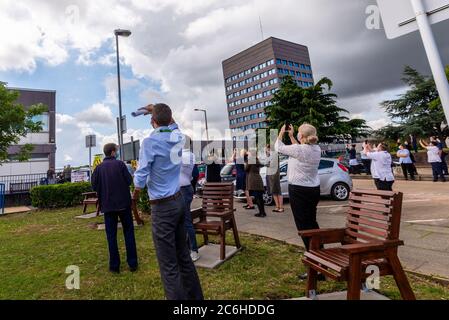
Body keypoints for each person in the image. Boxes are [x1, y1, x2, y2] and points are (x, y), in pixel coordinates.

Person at [132, 103, 203, 300]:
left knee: (168, 265)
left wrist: (135, 193)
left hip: (162, 207)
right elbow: (173, 125)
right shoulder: (178, 138)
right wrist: (157, 109)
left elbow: (141, 174)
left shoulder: (149, 142)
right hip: (179, 201)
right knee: (183, 257)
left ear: (152, 121)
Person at [91, 143, 138, 274]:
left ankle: (114, 265)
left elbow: (94, 186)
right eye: (116, 151)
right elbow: (129, 181)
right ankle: (132, 263)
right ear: (112, 152)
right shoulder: (121, 165)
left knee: (111, 236)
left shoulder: (98, 168)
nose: (117, 152)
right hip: (124, 204)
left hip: (107, 206)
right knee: (128, 232)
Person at [275, 124, 321, 250]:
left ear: (300, 135)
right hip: (313, 189)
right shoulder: (316, 149)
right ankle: (319, 248)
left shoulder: (299, 150)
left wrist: (281, 132)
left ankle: (313, 255)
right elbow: (299, 149)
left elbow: (278, 147)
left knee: (303, 225)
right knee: (311, 221)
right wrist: (291, 136)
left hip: (298, 190)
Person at [179, 137, 200, 262]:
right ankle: (188, 248)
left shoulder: (183, 155)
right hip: (185, 188)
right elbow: (193, 175)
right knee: (183, 221)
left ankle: (193, 250)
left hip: (183, 190)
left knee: (186, 221)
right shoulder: (190, 155)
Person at [245, 152, 266, 218]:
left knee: (257, 197)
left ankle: (261, 213)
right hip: (258, 179)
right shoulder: (257, 161)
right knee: (260, 197)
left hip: (253, 180)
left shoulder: (251, 160)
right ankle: (263, 212)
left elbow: (246, 169)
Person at [265, 145, 284, 213]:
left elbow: (270, 164)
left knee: (278, 190)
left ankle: (281, 207)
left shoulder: (275, 154)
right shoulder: (270, 155)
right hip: (270, 174)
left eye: (267, 149)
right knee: (273, 191)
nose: (266, 150)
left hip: (274, 175)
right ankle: (277, 206)